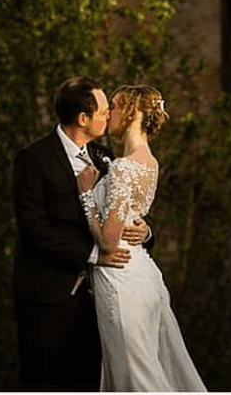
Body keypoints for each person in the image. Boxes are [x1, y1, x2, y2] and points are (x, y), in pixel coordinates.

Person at [12, 76, 153, 391]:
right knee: (45, 384)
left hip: (100, 302)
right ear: (83, 118)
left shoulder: (105, 157)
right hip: (49, 298)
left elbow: (125, 207)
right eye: (104, 110)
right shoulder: (34, 159)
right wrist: (94, 255)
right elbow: (33, 227)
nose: (109, 116)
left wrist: (144, 230)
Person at [77, 84, 206, 392]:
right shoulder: (150, 162)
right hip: (145, 275)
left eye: (116, 107)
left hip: (119, 276)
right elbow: (133, 217)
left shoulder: (122, 167)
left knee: (138, 378)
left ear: (133, 112)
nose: (109, 115)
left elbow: (109, 241)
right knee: (145, 369)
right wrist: (144, 230)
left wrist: (85, 195)